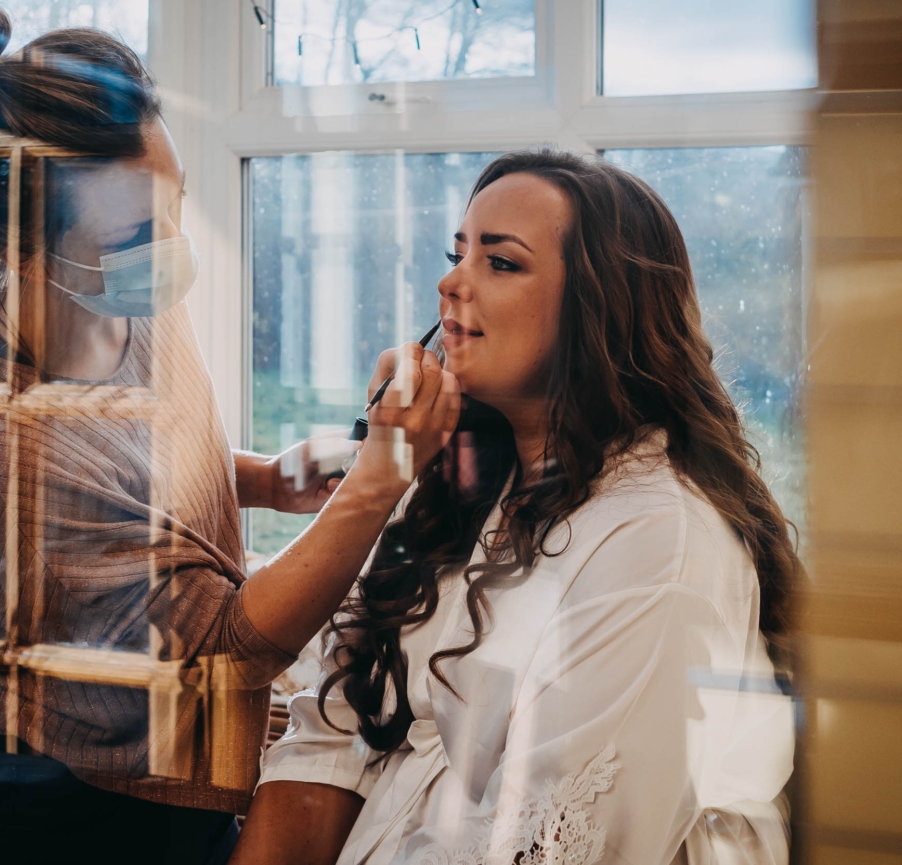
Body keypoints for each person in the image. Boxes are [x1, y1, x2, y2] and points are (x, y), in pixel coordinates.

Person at [0, 2, 459, 864]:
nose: (175, 246)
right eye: (142, 233)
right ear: (32, 253)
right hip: (58, 816)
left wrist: (260, 478)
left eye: (174, 200)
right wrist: (384, 473)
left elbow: (122, 469)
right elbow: (225, 647)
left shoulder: (118, 284)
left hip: (163, 778)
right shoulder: (3, 446)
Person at [231, 150, 800, 865]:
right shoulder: (451, 489)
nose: (448, 282)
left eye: (499, 264)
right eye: (456, 254)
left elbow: (541, 843)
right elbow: (328, 737)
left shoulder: (658, 540)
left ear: (600, 306)